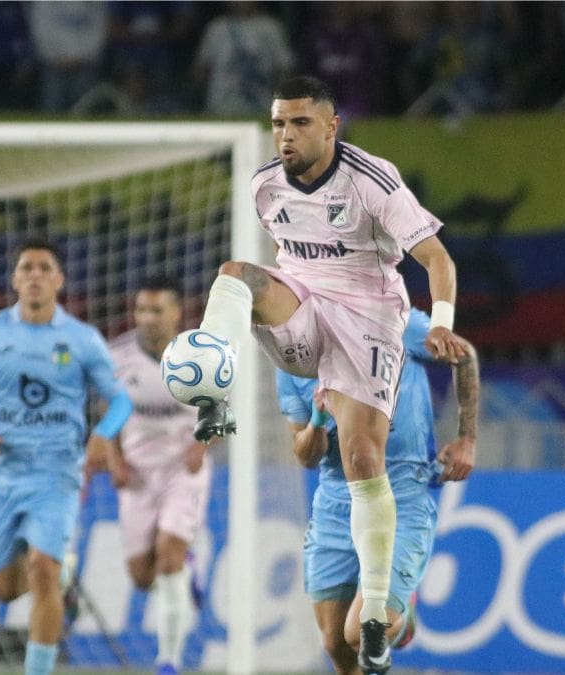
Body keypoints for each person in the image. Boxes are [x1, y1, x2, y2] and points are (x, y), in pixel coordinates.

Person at [191, 75, 468, 674]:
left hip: (369, 320)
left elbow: (437, 259)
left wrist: (441, 321)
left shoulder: (373, 180)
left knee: (361, 457)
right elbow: (292, 261)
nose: (286, 136)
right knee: (236, 272)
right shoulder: (265, 186)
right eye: (278, 124)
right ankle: (213, 391)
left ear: (331, 125)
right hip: (305, 310)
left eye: (300, 123)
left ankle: (375, 614)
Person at [0, 238, 133, 675]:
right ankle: (59, 574)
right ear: (14, 279)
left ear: (59, 280)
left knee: (42, 571)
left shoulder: (82, 339)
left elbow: (119, 401)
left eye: (45, 268)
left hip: (57, 472)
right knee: (5, 588)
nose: (34, 275)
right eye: (26, 267)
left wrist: (103, 435)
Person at [277, 307, 478, 673]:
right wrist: (319, 421)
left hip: (403, 497)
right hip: (336, 504)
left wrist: (467, 438)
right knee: (336, 643)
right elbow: (306, 456)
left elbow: (464, 355)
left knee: (361, 633)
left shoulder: (393, 321)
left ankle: (401, 624)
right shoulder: (291, 361)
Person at [102, 277, 213, 675]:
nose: (147, 318)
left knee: (168, 560)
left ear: (176, 313)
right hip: (137, 472)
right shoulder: (116, 357)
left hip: (183, 468)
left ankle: (169, 661)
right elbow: (106, 412)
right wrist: (114, 459)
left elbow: (219, 409)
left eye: (156, 311)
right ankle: (192, 564)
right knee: (142, 576)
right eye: (141, 311)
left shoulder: (201, 356)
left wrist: (201, 446)